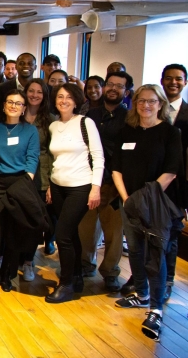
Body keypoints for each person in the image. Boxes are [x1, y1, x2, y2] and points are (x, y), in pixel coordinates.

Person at [111, 85, 183, 342]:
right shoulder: (127, 131)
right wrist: (127, 199)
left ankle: (156, 308)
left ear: (160, 104)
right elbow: (116, 168)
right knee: (136, 251)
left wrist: (143, 199)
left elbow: (172, 170)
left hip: (156, 205)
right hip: (129, 202)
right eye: (141, 101)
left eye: (152, 101)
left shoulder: (170, 132)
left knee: (156, 256)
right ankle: (140, 293)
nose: (146, 105)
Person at [44, 84, 104, 303]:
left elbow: (98, 157)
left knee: (63, 234)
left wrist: (95, 188)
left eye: (69, 97)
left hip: (81, 186)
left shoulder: (85, 123)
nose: (64, 100)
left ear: (77, 100)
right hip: (58, 186)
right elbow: (56, 159)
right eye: (60, 96)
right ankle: (77, 276)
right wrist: (51, 184)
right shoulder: (54, 125)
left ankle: (66, 284)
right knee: (70, 234)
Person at [0, 90, 39, 297]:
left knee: (14, 232)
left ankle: (8, 275)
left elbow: (32, 158)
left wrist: (25, 183)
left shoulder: (30, 130)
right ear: (4, 105)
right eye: (10, 102)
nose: (14, 106)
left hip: (21, 182)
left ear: (24, 108)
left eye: (18, 103)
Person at [79, 72, 132, 292]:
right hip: (88, 179)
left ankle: (110, 271)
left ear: (126, 92)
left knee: (114, 231)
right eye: (110, 84)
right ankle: (85, 263)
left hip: (114, 182)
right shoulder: (90, 114)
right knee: (86, 228)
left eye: (119, 86)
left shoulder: (130, 118)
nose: (113, 88)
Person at [18, 79, 56, 279]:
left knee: (34, 220)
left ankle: (28, 261)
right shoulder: (16, 113)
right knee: (16, 219)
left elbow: (52, 153)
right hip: (15, 172)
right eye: (31, 91)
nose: (34, 95)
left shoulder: (50, 120)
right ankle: (14, 256)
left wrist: (50, 183)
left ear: (45, 95)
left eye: (39, 92)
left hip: (40, 175)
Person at [159, 64, 188, 301]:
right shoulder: (153, 111)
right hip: (153, 183)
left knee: (171, 235)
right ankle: (142, 276)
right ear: (162, 81)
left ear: (185, 82)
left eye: (178, 79)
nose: (173, 83)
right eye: (169, 78)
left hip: (178, 187)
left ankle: (167, 279)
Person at [0, 52, 37, 123]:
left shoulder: (40, 88)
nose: (26, 66)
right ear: (16, 66)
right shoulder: (2, 88)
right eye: (22, 63)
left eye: (30, 64)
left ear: (35, 67)